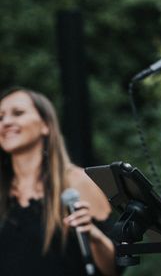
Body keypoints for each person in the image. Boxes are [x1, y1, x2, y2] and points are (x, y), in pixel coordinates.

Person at [0, 86, 119, 276]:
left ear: (46, 125)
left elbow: (114, 269)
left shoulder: (77, 182)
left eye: (18, 113)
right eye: (0, 118)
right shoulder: (3, 191)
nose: (6, 122)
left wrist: (94, 236)